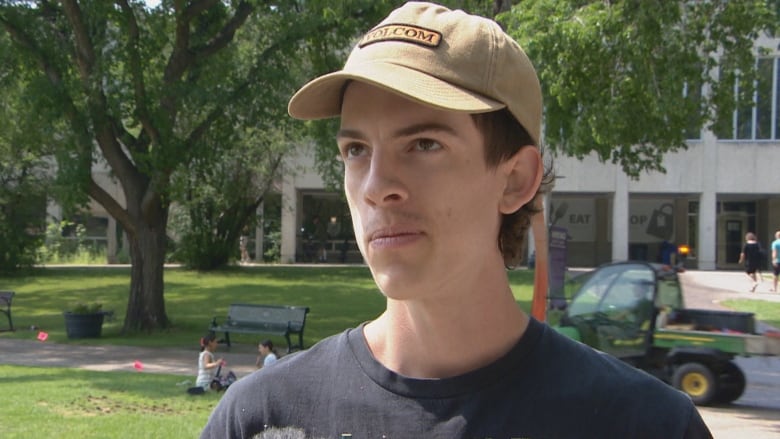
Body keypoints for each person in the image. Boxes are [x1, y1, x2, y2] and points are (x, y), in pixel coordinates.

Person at [202, 3, 712, 438]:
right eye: (356, 150)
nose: (377, 186)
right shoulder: (261, 419)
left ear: (515, 179)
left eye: (424, 144)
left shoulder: (644, 424)